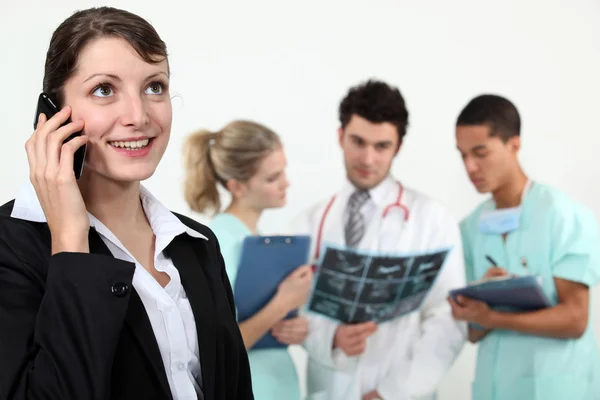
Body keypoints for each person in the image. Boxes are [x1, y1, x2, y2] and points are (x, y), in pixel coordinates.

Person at [0, 7, 252, 400]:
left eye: (155, 86)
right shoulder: (10, 246)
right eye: (104, 89)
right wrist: (69, 240)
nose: (138, 116)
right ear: (51, 114)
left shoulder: (197, 244)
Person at [290, 79, 467, 400]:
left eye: (382, 146)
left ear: (398, 147)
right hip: (328, 388)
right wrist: (330, 338)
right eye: (358, 142)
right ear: (340, 136)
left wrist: (393, 392)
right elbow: (293, 313)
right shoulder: (309, 222)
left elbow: (447, 318)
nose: (368, 158)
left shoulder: (432, 218)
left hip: (399, 390)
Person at [449, 94, 600, 399]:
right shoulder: (469, 228)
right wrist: (479, 306)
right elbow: (472, 333)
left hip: (555, 390)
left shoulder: (562, 216)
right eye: (462, 155)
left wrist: (495, 317)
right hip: (494, 389)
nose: (470, 166)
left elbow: (575, 319)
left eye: (480, 153)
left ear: (514, 144)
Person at [182, 120, 313, 400]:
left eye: (283, 171)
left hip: (277, 385)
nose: (286, 183)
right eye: (272, 178)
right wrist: (283, 303)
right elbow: (219, 348)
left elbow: (261, 325)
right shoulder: (219, 243)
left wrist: (292, 329)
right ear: (237, 187)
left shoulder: (254, 240)